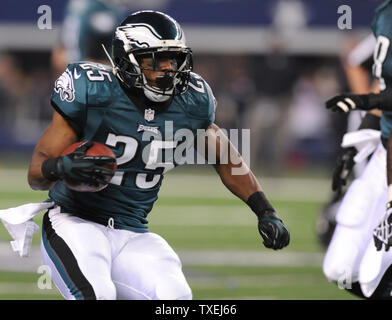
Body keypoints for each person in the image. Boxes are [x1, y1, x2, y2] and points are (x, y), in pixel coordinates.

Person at [25, 10, 290, 300]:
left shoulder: (192, 100)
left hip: (133, 231)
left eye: (173, 60)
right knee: (96, 294)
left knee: (175, 296)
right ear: (127, 59)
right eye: (155, 60)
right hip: (75, 221)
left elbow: (226, 159)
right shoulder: (94, 90)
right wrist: (62, 166)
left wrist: (265, 210)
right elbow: (36, 174)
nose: (167, 69)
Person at [324, 0, 392, 299]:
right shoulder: (385, 15)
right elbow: (382, 86)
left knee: (377, 268)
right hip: (384, 152)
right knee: (341, 269)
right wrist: (358, 141)